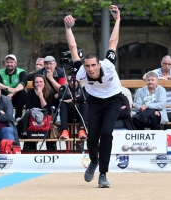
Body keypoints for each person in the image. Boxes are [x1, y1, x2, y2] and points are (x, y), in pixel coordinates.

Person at [65, 5, 123, 188]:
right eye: (87, 66)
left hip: (113, 99)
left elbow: (112, 42)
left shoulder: (109, 66)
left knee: (106, 133)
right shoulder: (81, 71)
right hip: (95, 102)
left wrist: (118, 20)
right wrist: (68, 28)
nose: (90, 69)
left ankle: (103, 174)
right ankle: (93, 161)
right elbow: (73, 47)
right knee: (91, 139)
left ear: (98, 64)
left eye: (93, 65)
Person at [142, 55, 171, 129]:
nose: (167, 66)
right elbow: (145, 76)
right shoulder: (156, 71)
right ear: (161, 63)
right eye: (165, 63)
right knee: (159, 134)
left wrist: (168, 77)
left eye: (169, 64)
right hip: (158, 109)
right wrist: (161, 78)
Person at [17, 74, 55, 150]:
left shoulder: (50, 92)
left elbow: (49, 110)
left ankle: (51, 147)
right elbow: (29, 108)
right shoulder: (30, 93)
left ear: (44, 83)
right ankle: (29, 146)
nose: (39, 84)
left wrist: (40, 96)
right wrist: (38, 111)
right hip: (33, 115)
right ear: (34, 84)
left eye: (41, 82)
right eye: (37, 82)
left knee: (50, 120)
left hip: (46, 116)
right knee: (27, 116)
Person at [0, 54, 27, 121]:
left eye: (11, 62)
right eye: (7, 62)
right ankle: (4, 116)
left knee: (22, 92)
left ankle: (18, 117)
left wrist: (13, 92)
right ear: (5, 63)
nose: (9, 64)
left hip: (17, 98)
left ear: (15, 63)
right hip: (5, 97)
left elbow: (22, 84)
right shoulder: (0, 72)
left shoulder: (21, 72)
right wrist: (7, 88)